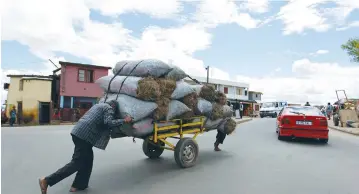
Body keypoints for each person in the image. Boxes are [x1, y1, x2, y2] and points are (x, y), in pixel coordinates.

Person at [38, 100, 132, 194]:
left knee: (88, 160)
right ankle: (47, 180)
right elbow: (108, 122)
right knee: (77, 162)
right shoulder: (109, 108)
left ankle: (78, 185)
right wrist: (124, 120)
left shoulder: (98, 106)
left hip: (78, 132)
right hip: (84, 136)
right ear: (114, 107)